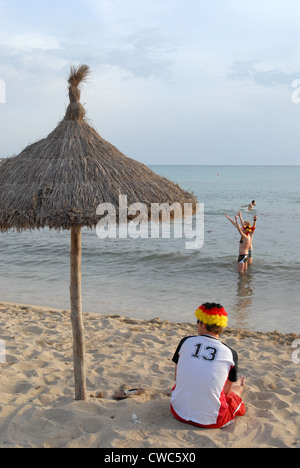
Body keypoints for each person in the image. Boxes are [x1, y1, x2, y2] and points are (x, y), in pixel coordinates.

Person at [170, 303, 246, 429]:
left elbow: (177, 377)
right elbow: (226, 392)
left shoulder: (185, 342)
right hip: (212, 421)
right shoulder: (230, 353)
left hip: (178, 411)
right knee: (235, 393)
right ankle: (239, 386)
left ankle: (237, 385)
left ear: (203, 325)